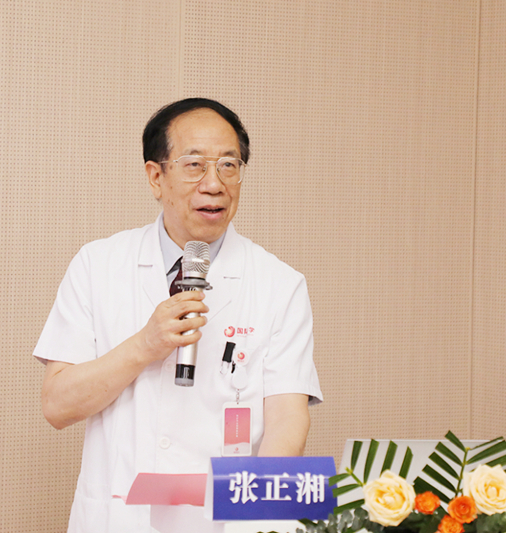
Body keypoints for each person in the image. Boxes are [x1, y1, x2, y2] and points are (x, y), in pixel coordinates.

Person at [34, 98, 323, 532]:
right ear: (156, 177)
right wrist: (144, 346)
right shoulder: (98, 264)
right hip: (119, 519)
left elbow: (287, 419)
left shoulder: (279, 284)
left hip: (223, 524)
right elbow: (58, 405)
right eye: (195, 165)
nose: (215, 184)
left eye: (229, 165)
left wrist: (256, 522)